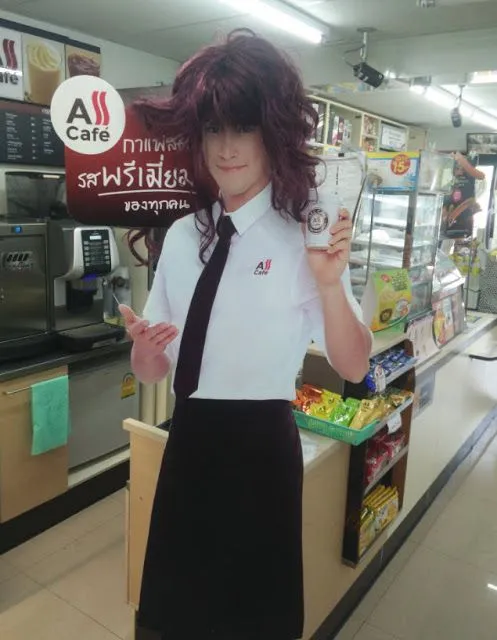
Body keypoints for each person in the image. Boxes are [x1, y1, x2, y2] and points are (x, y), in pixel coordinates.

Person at [120, 31, 371, 640]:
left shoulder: (305, 236)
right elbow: (152, 371)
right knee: (171, 618)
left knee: (255, 621)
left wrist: (330, 285)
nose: (226, 148)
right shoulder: (184, 235)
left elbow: (355, 365)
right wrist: (144, 351)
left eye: (244, 127)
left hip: (262, 453)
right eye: (213, 129)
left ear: (273, 133)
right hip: (188, 442)